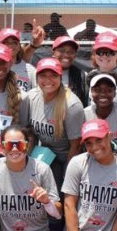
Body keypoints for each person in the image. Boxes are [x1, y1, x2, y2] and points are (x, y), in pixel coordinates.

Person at [22, 58, 85, 190]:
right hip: (44, 153)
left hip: (66, 157)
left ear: (61, 78)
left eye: (53, 76)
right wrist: (27, 163)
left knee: (58, 190)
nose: (48, 80)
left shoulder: (72, 105)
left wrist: (68, 175)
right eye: (43, 76)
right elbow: (29, 133)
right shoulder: (31, 97)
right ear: (36, 77)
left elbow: (76, 145)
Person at [0, 28, 37, 93]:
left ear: (19, 45)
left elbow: (38, 94)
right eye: (6, 42)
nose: (10, 45)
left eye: (14, 42)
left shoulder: (30, 70)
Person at [51, 36, 88, 105]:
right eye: (61, 51)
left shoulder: (81, 75)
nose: (66, 55)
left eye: (71, 52)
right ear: (53, 53)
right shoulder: (42, 73)